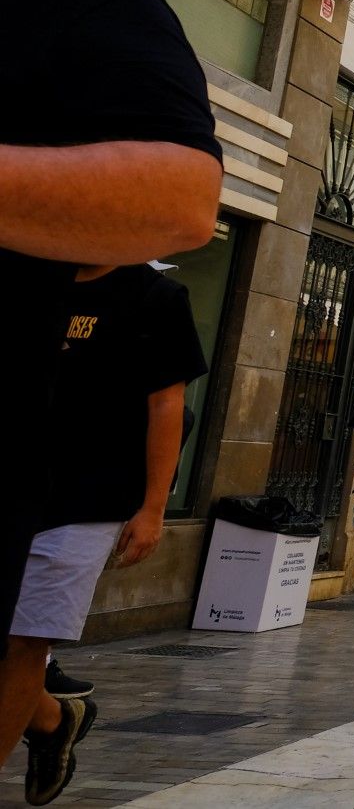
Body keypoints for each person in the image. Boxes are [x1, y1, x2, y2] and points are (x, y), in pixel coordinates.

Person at [0, 0, 221, 761]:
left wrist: (148, 502)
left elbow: (182, 196)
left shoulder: (86, 3)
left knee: (19, 655)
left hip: (60, 481)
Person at [8, 262, 206, 805]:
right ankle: (51, 720)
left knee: (25, 644)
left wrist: (153, 508)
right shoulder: (28, 280)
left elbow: (167, 405)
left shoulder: (156, 296)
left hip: (88, 499)